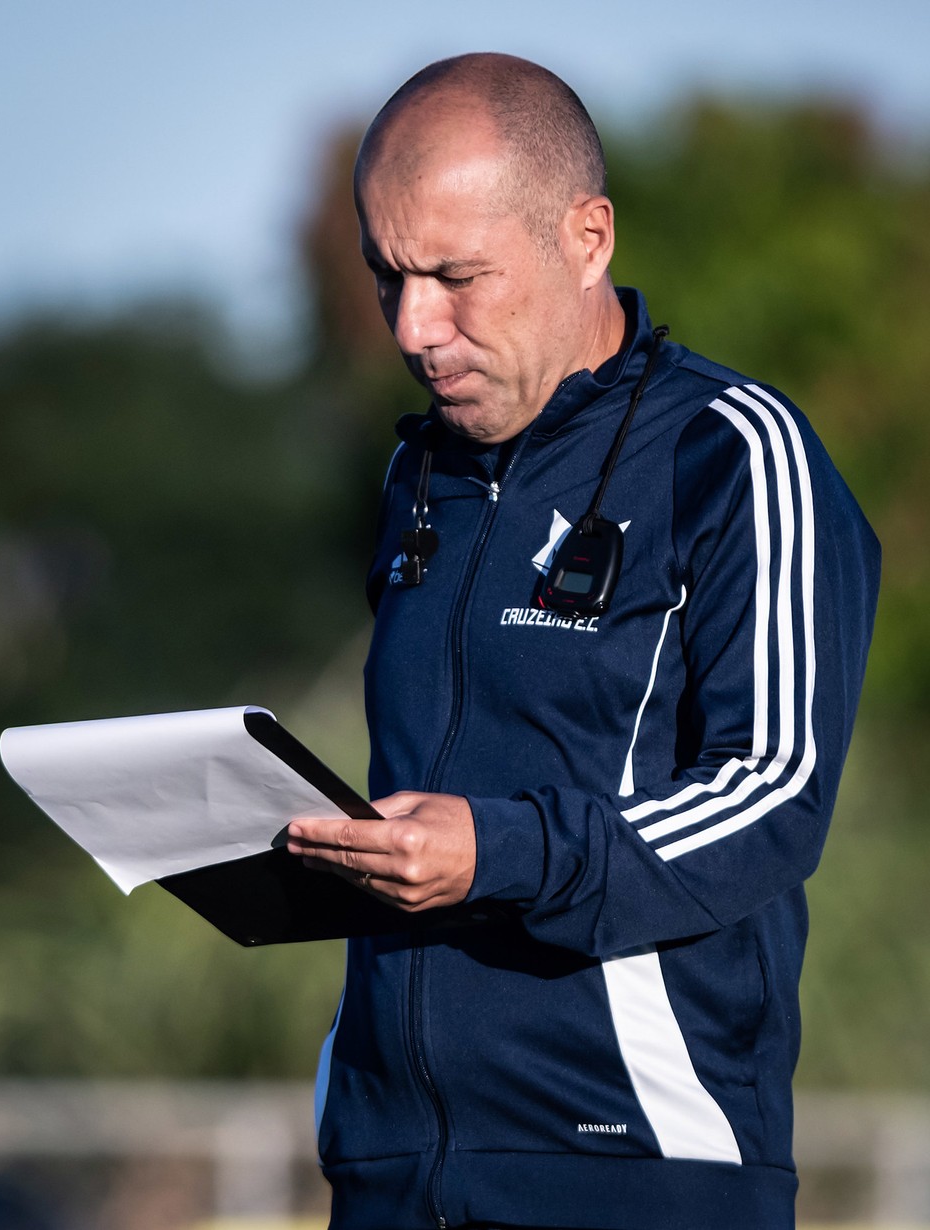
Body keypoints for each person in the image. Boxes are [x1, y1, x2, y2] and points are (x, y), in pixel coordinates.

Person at [286, 52, 880, 1230]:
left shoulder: (735, 453)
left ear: (588, 236)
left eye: (457, 276)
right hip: (391, 1176)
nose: (415, 325)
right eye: (386, 274)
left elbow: (772, 795)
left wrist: (495, 853)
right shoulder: (421, 473)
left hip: (635, 1170)